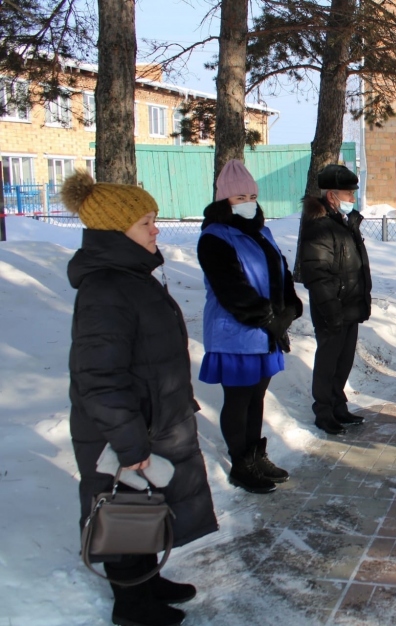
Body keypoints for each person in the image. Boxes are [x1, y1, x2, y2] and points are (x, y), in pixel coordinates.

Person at [63, 171, 217, 626]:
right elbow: (98, 378)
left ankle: (147, 581)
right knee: (125, 510)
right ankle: (131, 605)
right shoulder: (106, 289)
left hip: (151, 420)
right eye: (145, 223)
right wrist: (129, 444)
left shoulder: (132, 276)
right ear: (116, 231)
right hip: (123, 432)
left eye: (153, 219)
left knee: (149, 505)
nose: (156, 230)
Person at [197, 160, 303, 494]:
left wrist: (288, 309)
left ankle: (256, 456)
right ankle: (241, 464)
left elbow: (281, 274)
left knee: (257, 396)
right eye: (240, 196)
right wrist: (268, 319)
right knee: (239, 399)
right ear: (224, 200)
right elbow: (231, 288)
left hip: (266, 333)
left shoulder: (262, 233)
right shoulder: (214, 238)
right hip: (235, 334)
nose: (248, 202)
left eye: (252, 196)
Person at [299, 164, 372, 435]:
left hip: (349, 306)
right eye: (348, 194)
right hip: (332, 308)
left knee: (343, 362)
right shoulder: (319, 227)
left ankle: (338, 406)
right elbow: (317, 274)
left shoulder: (346, 222)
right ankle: (324, 412)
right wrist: (331, 310)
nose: (353, 198)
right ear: (332, 196)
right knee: (328, 363)